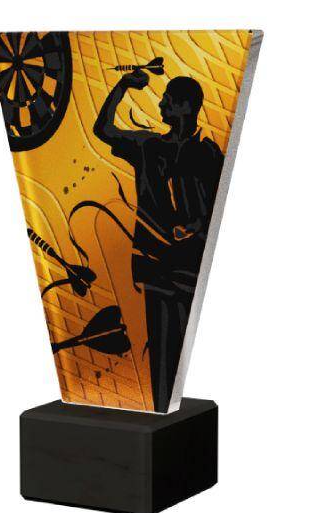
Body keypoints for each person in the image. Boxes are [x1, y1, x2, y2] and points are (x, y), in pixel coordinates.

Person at [94, 70, 224, 412]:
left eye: (168, 99)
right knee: (164, 353)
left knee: (187, 353)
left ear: (185, 106)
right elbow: (102, 129)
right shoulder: (148, 146)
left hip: (191, 266)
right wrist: (122, 85)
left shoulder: (208, 154)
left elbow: (219, 207)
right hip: (156, 264)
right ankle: (163, 412)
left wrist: (194, 226)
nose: (161, 104)